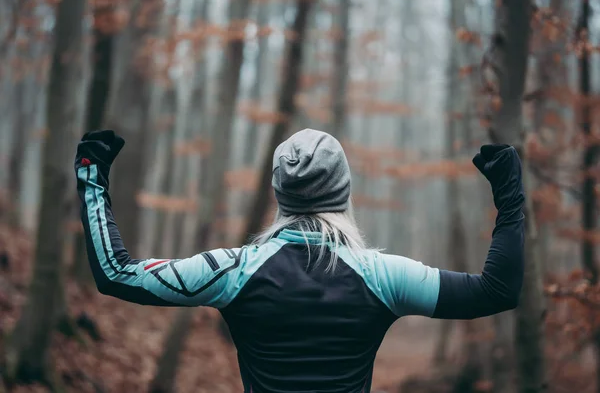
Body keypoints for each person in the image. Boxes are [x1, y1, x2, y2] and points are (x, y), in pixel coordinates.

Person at [74, 129, 524, 393]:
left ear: (277, 192)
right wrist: (509, 197)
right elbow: (496, 290)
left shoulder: (232, 271)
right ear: (344, 191)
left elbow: (117, 274)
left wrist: (92, 177)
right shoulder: (382, 275)